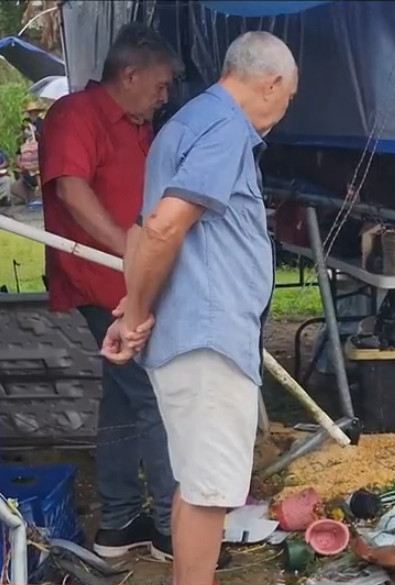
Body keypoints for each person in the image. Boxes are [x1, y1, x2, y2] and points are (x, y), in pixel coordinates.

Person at [102, 31, 297, 585]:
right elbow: (163, 227)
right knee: (210, 492)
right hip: (209, 338)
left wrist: (128, 310)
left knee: (195, 485)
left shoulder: (183, 123)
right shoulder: (225, 130)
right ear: (273, 83)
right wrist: (136, 310)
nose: (285, 110)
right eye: (289, 98)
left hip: (191, 334)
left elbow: (143, 229)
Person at [38, 23, 182, 560]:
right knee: (154, 396)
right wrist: (128, 248)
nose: (164, 96)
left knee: (123, 400)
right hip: (103, 278)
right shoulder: (76, 114)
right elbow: (72, 190)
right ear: (130, 74)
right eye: (160, 85)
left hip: (134, 276)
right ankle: (171, 525)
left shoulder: (139, 123)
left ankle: (120, 522)